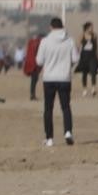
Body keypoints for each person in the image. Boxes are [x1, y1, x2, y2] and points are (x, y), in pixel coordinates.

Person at [36, 18, 79, 147]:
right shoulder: (70, 41)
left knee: (48, 108)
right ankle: (68, 132)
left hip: (49, 78)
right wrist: (67, 64)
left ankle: (49, 138)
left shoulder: (45, 41)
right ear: (62, 26)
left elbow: (39, 61)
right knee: (65, 107)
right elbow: (75, 58)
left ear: (51, 27)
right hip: (64, 78)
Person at [76, 22, 98, 97]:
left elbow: (96, 46)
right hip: (84, 56)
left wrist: (97, 56)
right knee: (84, 73)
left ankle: (93, 88)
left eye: (92, 27)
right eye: (91, 27)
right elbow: (78, 45)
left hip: (92, 56)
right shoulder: (82, 35)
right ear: (87, 28)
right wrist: (77, 54)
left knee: (93, 71)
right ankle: (84, 89)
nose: (92, 29)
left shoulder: (94, 35)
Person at [23, 31, 43, 101]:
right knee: (34, 80)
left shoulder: (31, 42)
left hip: (31, 62)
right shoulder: (37, 42)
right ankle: (32, 95)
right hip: (34, 64)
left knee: (34, 80)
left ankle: (32, 94)